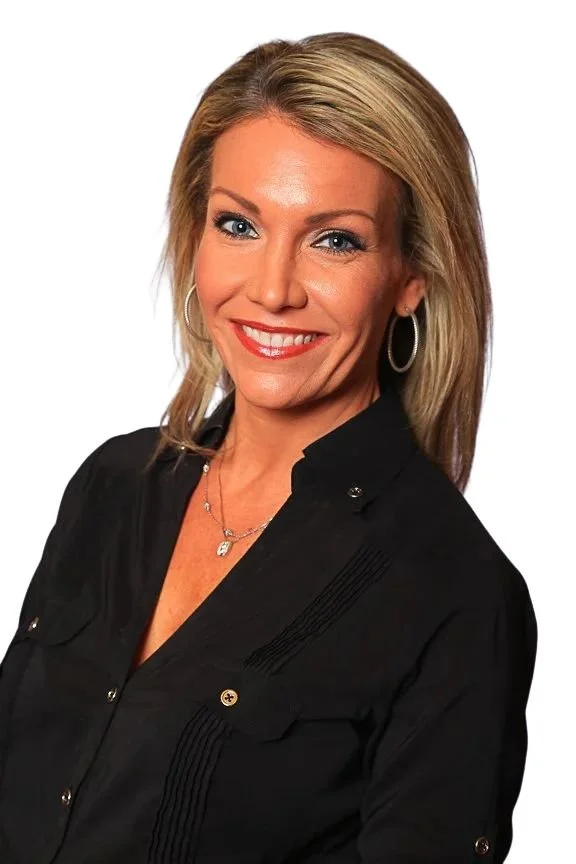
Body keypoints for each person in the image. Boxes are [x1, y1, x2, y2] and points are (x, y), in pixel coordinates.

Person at [0, 31, 537, 864]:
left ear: (411, 278)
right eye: (239, 223)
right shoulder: (114, 486)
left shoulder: (457, 594)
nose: (274, 289)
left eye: (335, 240)